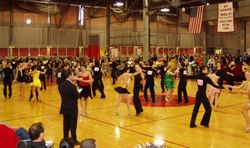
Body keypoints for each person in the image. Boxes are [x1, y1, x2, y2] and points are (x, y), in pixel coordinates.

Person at [59, 71, 80, 145]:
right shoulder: (72, 86)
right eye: (72, 75)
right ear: (69, 76)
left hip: (64, 107)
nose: (73, 76)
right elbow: (77, 96)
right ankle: (74, 140)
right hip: (72, 108)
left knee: (65, 124)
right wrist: (77, 88)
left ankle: (65, 139)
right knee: (73, 125)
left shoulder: (61, 85)